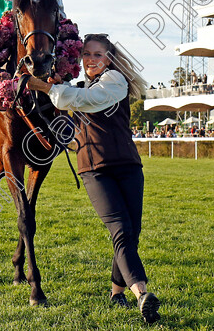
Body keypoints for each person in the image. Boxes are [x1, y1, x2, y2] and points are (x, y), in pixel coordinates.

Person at [26, 34, 160, 323]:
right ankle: (142, 294)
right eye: (86, 54)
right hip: (95, 171)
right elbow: (68, 114)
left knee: (131, 233)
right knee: (121, 230)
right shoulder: (74, 89)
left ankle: (116, 293)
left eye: (97, 54)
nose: (90, 59)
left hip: (128, 167)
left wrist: (46, 87)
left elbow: (88, 99)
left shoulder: (115, 81)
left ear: (109, 59)